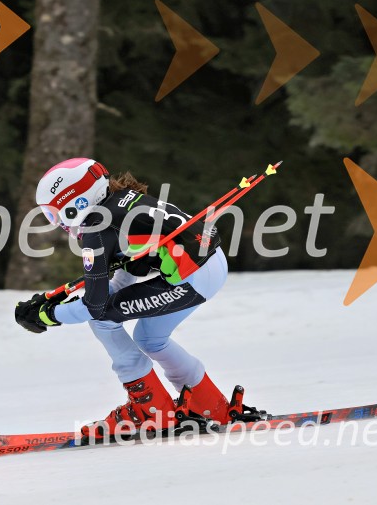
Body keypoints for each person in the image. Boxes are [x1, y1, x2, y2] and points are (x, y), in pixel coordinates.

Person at [15, 157, 247, 439]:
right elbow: (123, 276)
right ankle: (210, 406)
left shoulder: (96, 229)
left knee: (102, 320)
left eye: (54, 214)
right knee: (149, 339)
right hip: (209, 266)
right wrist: (63, 306)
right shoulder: (122, 199)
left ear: (74, 202)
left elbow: (95, 306)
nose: (58, 223)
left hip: (193, 278)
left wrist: (47, 315)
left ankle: (151, 412)